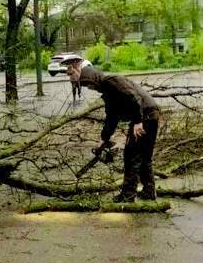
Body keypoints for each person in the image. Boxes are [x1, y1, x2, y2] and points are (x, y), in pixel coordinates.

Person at [67, 60, 160, 202]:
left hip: (145, 116)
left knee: (131, 155)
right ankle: (149, 192)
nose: (89, 88)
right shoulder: (108, 91)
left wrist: (137, 121)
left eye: (88, 84)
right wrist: (103, 139)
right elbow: (112, 118)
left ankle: (127, 196)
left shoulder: (110, 81)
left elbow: (133, 97)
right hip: (150, 114)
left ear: (92, 78)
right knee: (144, 157)